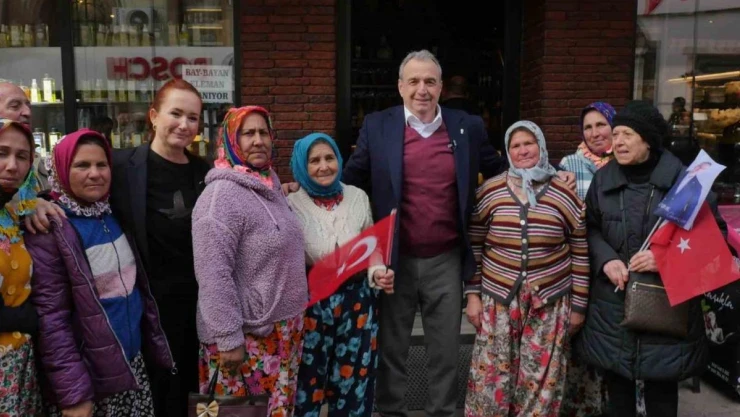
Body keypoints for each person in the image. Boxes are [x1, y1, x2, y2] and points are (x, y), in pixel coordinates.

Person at [28, 78, 210, 417]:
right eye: (176, 113)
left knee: (197, 393)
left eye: (193, 117)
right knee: (158, 398)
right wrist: (37, 202)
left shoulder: (206, 172)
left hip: (198, 307)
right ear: (154, 116)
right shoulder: (123, 166)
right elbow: (74, 187)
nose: (184, 124)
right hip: (145, 312)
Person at [576, 100, 719, 417]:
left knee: (662, 395)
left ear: (649, 139)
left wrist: (665, 260)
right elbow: (590, 228)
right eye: (616, 134)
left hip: (666, 305)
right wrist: (606, 260)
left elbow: (713, 239)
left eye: (627, 134)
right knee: (618, 396)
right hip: (613, 305)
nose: (618, 142)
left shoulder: (685, 182)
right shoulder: (603, 179)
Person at [26, 129, 174, 417]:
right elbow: (52, 321)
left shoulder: (112, 213)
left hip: (129, 369)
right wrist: (74, 394)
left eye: (101, 164)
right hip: (89, 382)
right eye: (82, 165)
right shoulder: (51, 228)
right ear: (61, 169)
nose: (94, 174)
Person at [464, 121, 589, 417]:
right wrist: (472, 295)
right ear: (507, 152)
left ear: (541, 147)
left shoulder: (564, 193)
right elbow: (475, 247)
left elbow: (580, 252)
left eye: (529, 143)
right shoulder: (490, 191)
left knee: (540, 379)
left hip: (549, 301)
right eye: (515, 146)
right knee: (492, 377)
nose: (523, 150)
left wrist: (579, 306)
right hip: (498, 301)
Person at [192, 106, 307, 416]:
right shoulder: (220, 197)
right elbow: (212, 273)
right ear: (231, 140)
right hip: (247, 339)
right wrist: (228, 338)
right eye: (248, 133)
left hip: (282, 333)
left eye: (263, 132)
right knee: (241, 413)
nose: (258, 140)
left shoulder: (268, 183)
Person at [288, 132, 395, 417]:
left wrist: (378, 272)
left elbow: (372, 247)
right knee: (306, 383)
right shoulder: (289, 203)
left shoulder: (357, 196)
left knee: (354, 382)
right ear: (301, 166)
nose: (324, 166)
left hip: (357, 303)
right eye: (314, 161)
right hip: (311, 305)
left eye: (329, 158)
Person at [0, 119, 42, 416]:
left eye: (22, 156)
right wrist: (29, 318)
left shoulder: (12, 215)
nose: (12, 166)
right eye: (1, 153)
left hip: (19, 370)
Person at [559, 102, 617, 200]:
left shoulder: (626, 162)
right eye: (588, 127)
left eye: (600, 125)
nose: (594, 134)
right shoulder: (569, 164)